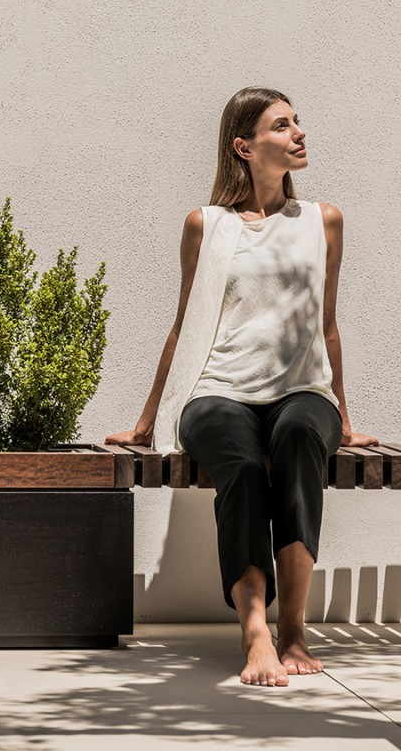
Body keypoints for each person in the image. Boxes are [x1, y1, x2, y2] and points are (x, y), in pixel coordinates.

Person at [105, 86, 379, 688]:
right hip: (217, 392)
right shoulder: (207, 225)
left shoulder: (323, 220)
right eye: (281, 126)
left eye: (297, 122)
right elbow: (184, 324)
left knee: (302, 436)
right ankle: (256, 632)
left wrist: (344, 419)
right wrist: (147, 422)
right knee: (245, 467)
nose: (299, 133)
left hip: (303, 392)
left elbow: (327, 325)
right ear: (244, 146)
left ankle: (295, 630)